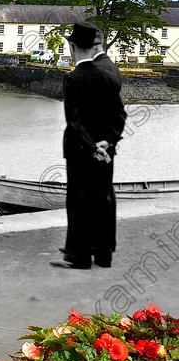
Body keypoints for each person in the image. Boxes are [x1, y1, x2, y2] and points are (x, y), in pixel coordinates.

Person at [51, 21, 126, 270]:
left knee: (79, 200)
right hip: (106, 148)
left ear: (73, 46)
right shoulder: (108, 72)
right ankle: (103, 254)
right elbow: (120, 116)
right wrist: (108, 142)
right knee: (102, 197)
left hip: (81, 150)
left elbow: (73, 122)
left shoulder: (74, 78)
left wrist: (92, 146)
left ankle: (80, 256)